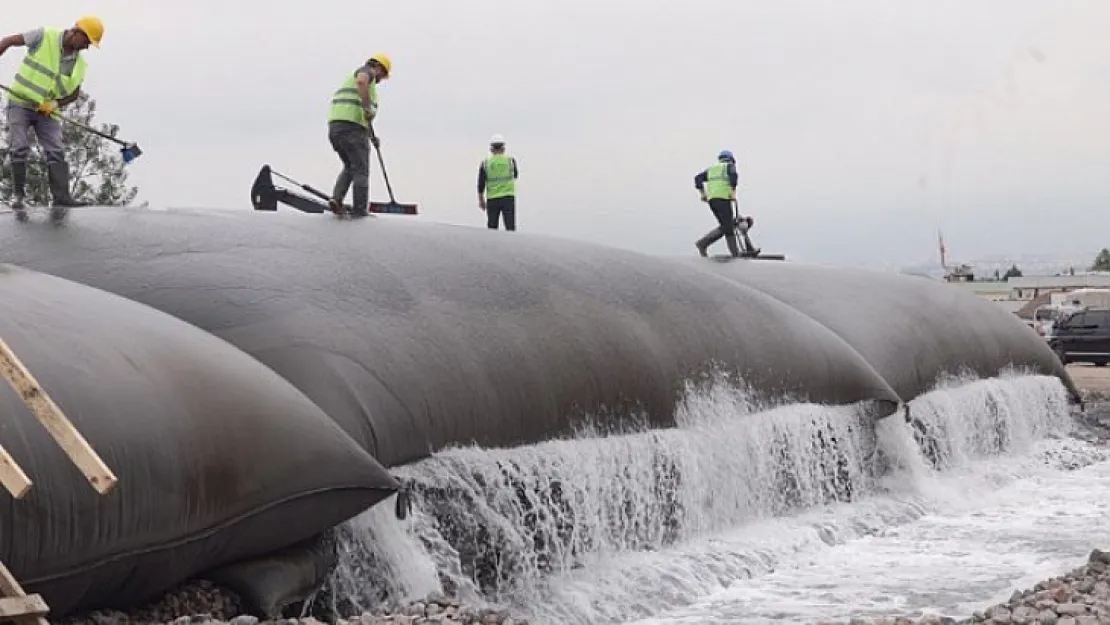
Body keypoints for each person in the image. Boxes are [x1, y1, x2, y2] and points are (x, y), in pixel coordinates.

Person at [0, 16, 103, 215]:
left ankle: (62, 198)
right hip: (20, 103)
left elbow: (74, 94)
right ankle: (18, 197)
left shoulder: (79, 64)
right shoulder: (44, 35)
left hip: (46, 111)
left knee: (56, 149)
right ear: (76, 32)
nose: (87, 47)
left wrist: (55, 104)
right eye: (86, 41)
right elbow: (8, 41)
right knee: (19, 146)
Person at [326, 53, 391, 218]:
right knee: (361, 171)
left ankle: (336, 199)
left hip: (336, 128)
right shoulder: (366, 72)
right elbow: (362, 81)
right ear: (378, 68)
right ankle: (360, 210)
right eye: (382, 76)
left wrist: (371, 136)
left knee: (350, 166)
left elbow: (359, 114)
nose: (381, 80)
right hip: (352, 130)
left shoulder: (354, 83)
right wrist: (368, 106)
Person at [692, 149, 758, 258]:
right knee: (727, 226)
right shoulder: (729, 166)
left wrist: (703, 194)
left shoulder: (711, 169)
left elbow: (697, 179)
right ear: (731, 159)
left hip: (712, 200)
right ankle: (703, 243)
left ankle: (734, 252)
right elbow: (733, 178)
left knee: (727, 226)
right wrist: (732, 192)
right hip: (723, 199)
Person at [477, 134, 519, 231]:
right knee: (510, 227)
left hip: (492, 199)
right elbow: (516, 175)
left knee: (492, 227)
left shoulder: (486, 163)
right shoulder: (510, 161)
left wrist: (481, 200)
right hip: (508, 197)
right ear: (503, 148)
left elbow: (481, 183)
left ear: (491, 149)